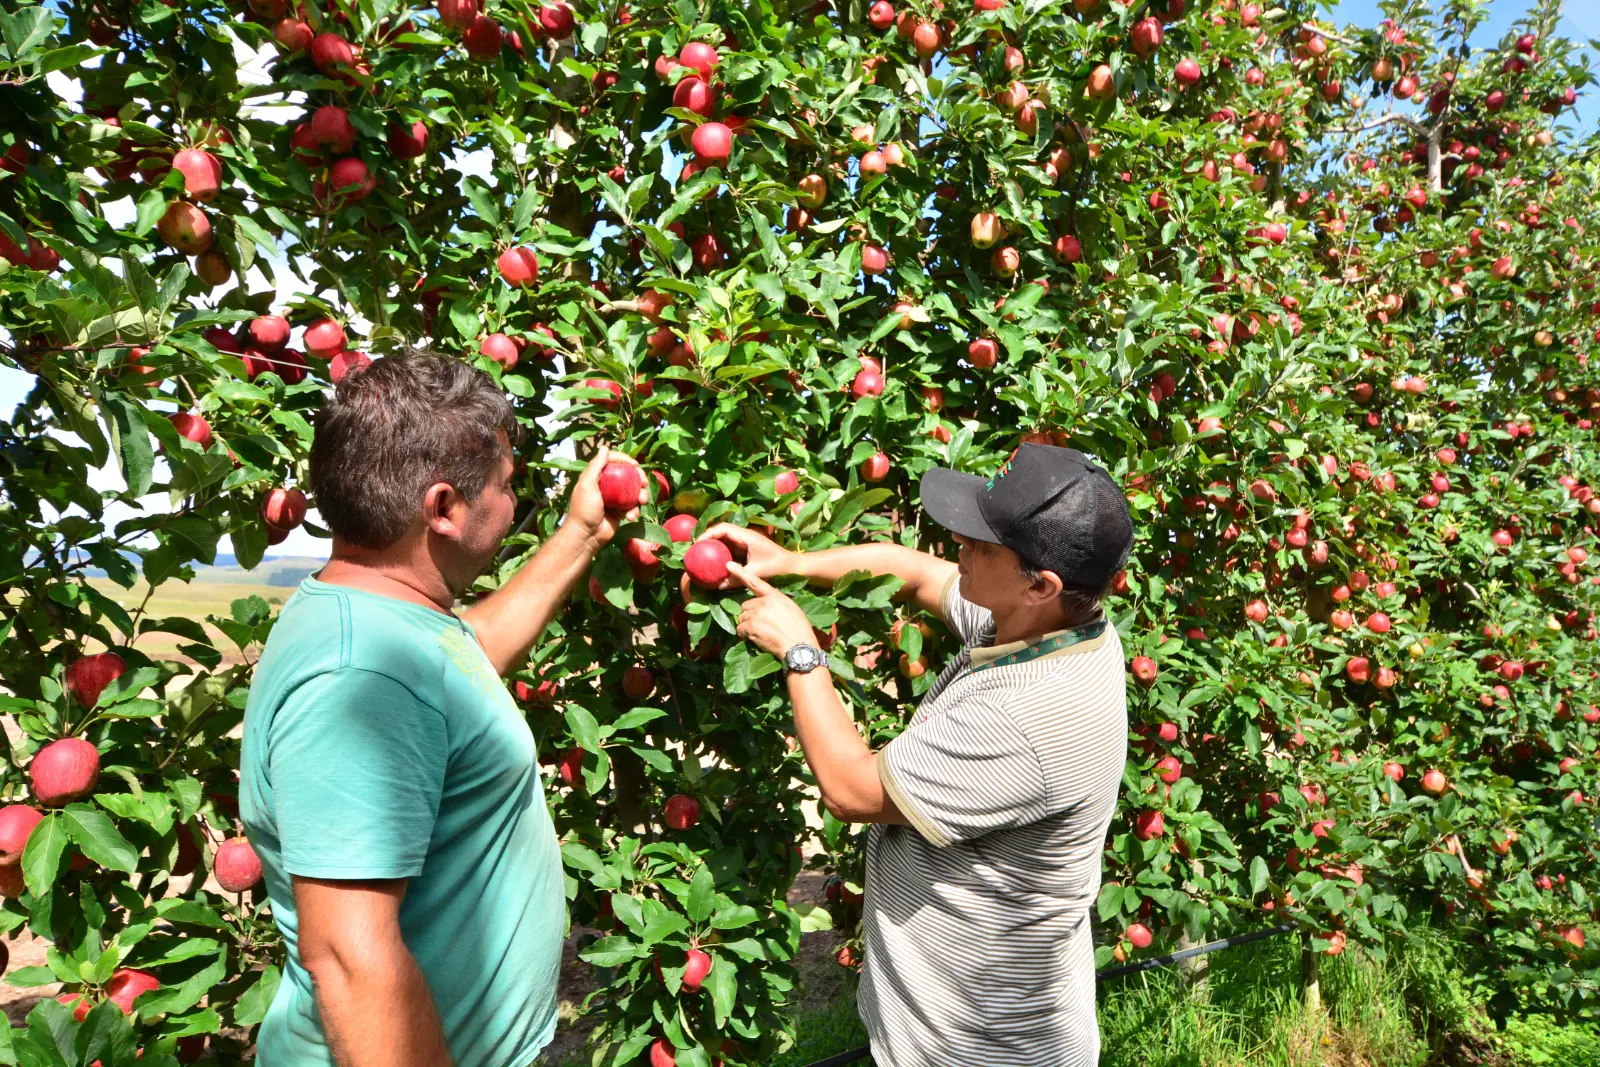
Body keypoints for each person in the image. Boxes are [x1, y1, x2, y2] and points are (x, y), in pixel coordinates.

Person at [239, 350, 646, 1067]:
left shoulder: (388, 621)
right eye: (506, 485)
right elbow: (349, 958)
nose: (513, 504)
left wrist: (582, 533)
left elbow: (464, 662)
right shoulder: (359, 675)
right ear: (444, 508)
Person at [692, 443, 1134, 1067]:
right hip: (952, 1020)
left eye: (982, 544)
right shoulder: (1052, 627)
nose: (959, 545)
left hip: (978, 1046)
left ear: (1040, 584)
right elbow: (918, 573)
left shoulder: (1027, 715)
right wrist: (792, 562)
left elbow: (849, 790)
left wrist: (800, 651)